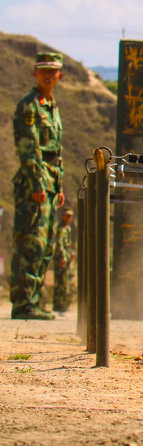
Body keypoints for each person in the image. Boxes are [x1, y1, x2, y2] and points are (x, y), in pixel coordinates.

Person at [9, 52, 66, 320]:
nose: (47, 74)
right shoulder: (29, 106)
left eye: (52, 70)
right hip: (35, 184)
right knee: (30, 243)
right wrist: (36, 183)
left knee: (45, 247)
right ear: (34, 73)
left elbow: (56, 151)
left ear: (60, 76)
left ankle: (33, 301)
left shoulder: (51, 107)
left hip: (49, 185)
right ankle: (23, 305)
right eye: (42, 69)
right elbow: (28, 149)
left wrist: (59, 186)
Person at [52, 207, 76, 313]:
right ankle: (58, 304)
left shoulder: (68, 228)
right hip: (61, 258)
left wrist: (71, 254)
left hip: (67, 257)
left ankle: (65, 304)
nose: (69, 218)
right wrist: (62, 257)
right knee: (60, 282)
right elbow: (59, 244)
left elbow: (68, 244)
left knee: (67, 281)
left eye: (70, 216)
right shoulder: (60, 228)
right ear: (62, 216)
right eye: (67, 216)